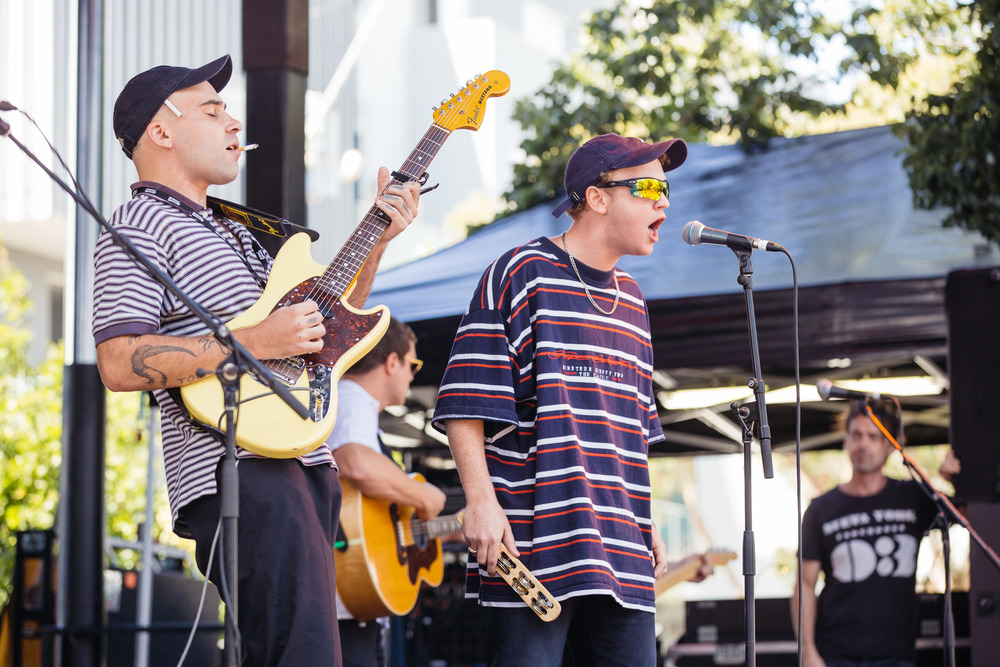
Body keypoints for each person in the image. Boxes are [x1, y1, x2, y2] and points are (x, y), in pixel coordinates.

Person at [92, 55, 420, 665]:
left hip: (305, 458)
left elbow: (326, 327)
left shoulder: (237, 230)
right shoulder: (136, 224)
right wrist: (252, 344)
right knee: (302, 653)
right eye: (212, 110)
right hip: (236, 464)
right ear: (161, 132)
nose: (233, 121)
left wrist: (376, 236)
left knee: (298, 651)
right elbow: (117, 361)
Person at [431, 133, 713, 666]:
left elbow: (633, 431)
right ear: (598, 197)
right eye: (650, 186)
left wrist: (644, 520)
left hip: (623, 553)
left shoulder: (632, 300)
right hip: (534, 552)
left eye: (666, 187)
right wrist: (482, 502)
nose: (665, 201)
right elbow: (466, 402)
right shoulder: (520, 272)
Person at [791, 398, 962, 667]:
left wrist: (954, 478)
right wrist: (808, 653)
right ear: (845, 440)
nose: (863, 444)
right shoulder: (820, 509)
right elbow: (805, 584)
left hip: (896, 654)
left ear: (890, 446)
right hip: (835, 654)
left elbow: (966, 513)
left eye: (874, 436)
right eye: (856, 435)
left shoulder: (912, 497)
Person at [327, 316, 448, 666]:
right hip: (344, 605)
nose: (413, 375)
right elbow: (354, 461)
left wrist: (451, 528)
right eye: (413, 364)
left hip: (359, 608)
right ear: (392, 362)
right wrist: (423, 495)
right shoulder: (351, 398)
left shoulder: (361, 409)